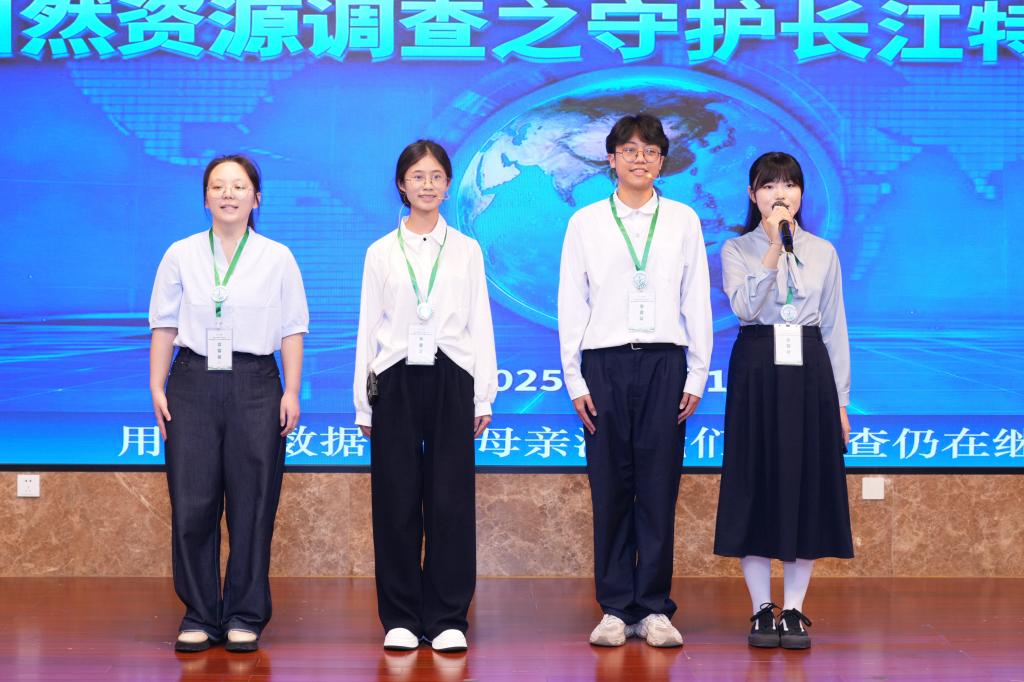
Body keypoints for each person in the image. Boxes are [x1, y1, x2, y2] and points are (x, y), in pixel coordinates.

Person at [558, 113, 713, 648]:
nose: (639, 158)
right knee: (610, 488)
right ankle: (614, 608)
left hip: (666, 363)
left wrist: (697, 372)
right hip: (604, 364)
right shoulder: (586, 222)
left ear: (662, 161)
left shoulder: (683, 220)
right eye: (629, 149)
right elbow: (571, 301)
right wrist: (575, 379)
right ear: (611, 158)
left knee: (658, 487)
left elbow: (696, 298)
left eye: (650, 150)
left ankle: (654, 608)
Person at [149, 154, 308, 653]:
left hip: (256, 383)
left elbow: (292, 328)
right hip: (192, 381)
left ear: (256, 198)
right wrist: (156, 386)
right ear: (205, 198)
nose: (228, 194)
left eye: (239, 186)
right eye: (218, 186)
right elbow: (164, 325)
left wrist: (291, 390)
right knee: (192, 501)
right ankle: (199, 613)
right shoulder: (180, 253)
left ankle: (244, 613)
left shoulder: (277, 256)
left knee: (253, 503)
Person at [353, 140, 497, 653]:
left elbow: (480, 321)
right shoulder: (380, 251)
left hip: (452, 375)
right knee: (395, 498)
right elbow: (367, 327)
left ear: (449, 185)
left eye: (436, 176)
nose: (427, 185)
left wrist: (483, 396)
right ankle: (400, 616)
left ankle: (447, 616)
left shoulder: (466, 249)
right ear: (401, 184)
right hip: (393, 378)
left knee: (450, 499)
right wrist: (363, 402)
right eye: (418, 176)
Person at [713, 151, 853, 650]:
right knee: (754, 481)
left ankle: (793, 609)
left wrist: (841, 401)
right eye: (769, 185)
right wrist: (774, 248)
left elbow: (834, 327)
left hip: (809, 368)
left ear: (801, 194)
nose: (780, 194)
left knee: (806, 483)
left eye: (789, 185)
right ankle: (761, 608)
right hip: (757, 365)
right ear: (753, 195)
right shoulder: (736, 249)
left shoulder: (824, 251)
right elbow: (745, 306)